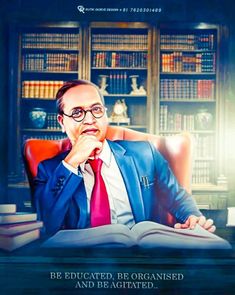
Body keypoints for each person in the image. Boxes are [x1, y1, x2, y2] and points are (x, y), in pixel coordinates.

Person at [34, 79, 215, 235]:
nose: (90, 120)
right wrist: (72, 162)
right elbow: (47, 224)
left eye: (96, 109)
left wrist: (194, 218)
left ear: (105, 114)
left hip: (139, 256)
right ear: (62, 122)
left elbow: (177, 198)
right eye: (77, 113)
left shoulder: (145, 154)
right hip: (81, 261)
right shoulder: (49, 170)